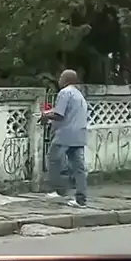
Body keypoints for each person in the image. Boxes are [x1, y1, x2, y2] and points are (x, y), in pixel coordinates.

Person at [40, 69, 88, 207]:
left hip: (65, 134)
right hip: (79, 134)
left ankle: (59, 190)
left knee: (53, 159)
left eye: (61, 77)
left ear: (67, 79)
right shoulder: (79, 95)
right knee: (79, 168)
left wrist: (45, 115)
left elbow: (59, 114)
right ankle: (81, 199)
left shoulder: (65, 92)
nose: (59, 79)